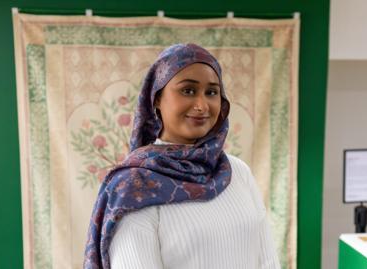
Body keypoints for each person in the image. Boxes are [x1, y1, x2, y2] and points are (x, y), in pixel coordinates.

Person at [84, 43, 280, 269]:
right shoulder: (135, 187)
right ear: (156, 98)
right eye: (188, 90)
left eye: (212, 92)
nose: (201, 105)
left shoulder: (237, 172)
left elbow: (268, 260)